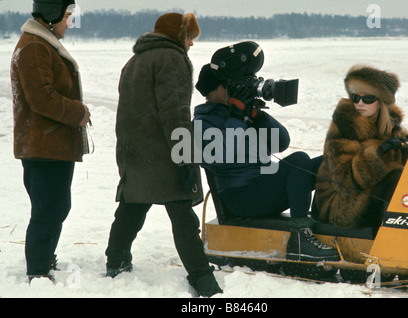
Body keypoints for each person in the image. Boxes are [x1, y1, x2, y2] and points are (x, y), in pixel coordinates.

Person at [105, 12, 222, 297]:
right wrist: (183, 155)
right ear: (179, 35)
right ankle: (202, 278)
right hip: (164, 152)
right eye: (190, 37)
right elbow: (175, 112)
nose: (192, 44)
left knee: (132, 207)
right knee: (183, 214)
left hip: (135, 151)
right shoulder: (171, 59)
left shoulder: (134, 61)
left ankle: (116, 261)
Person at [193, 43, 339, 262]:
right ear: (213, 91)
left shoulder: (240, 113)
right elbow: (222, 157)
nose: (234, 89)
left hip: (261, 185)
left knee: (329, 162)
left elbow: (281, 142)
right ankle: (300, 238)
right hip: (240, 198)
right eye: (228, 85)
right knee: (299, 161)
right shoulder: (202, 123)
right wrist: (236, 117)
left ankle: (326, 219)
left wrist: (257, 116)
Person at [10, 0, 90, 282]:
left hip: (51, 145)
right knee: (48, 209)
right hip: (43, 147)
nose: (69, 22)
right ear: (53, 14)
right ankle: (38, 272)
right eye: (66, 16)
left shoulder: (41, 43)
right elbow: (41, 97)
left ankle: (44, 260)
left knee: (56, 206)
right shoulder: (34, 46)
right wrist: (77, 111)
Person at [313, 65, 408, 229]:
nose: (360, 103)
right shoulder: (344, 126)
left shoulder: (393, 128)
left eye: (367, 99)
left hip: (367, 195)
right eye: (355, 97)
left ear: (382, 102)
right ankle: (388, 241)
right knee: (395, 178)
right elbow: (344, 182)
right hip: (339, 203)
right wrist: (381, 154)